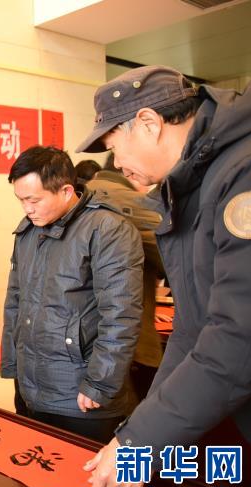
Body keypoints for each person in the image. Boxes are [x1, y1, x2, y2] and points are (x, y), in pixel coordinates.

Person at [77, 65, 251, 487]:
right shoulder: (192, 182)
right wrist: (139, 433)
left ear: (149, 122)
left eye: (115, 147)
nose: (116, 162)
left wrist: (140, 440)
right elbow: (191, 329)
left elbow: (243, 337)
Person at [1, 145, 143, 443]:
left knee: (82, 469)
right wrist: (13, 365)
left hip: (81, 395)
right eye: (21, 200)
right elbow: (15, 303)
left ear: (66, 191)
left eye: (34, 200)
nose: (27, 209)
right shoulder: (28, 231)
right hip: (30, 386)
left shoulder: (107, 229)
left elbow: (120, 315)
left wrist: (100, 384)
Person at [85, 154, 165, 401]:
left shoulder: (79, 195)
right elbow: (174, 259)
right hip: (128, 342)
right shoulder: (132, 201)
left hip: (79, 341)